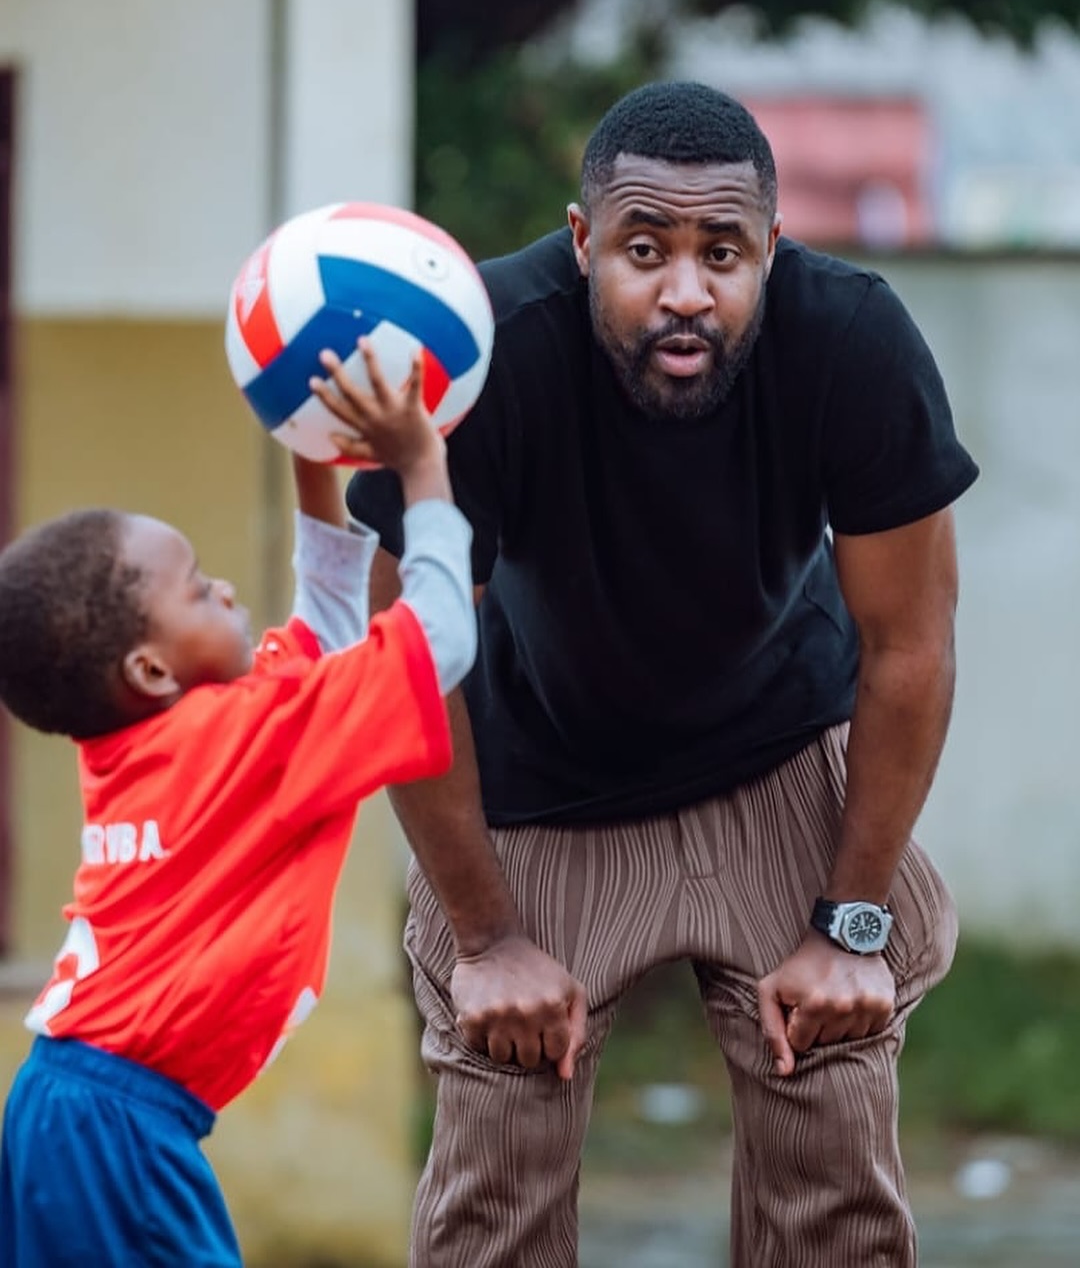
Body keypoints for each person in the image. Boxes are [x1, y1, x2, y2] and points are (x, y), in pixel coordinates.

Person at [337, 81, 980, 1267]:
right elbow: (406, 668)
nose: (686, 291)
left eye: (722, 252)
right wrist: (485, 941)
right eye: (645, 249)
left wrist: (851, 921)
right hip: (539, 778)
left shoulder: (850, 338)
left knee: (833, 1161)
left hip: (776, 753)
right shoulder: (483, 353)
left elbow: (911, 645)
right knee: (498, 1188)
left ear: (772, 251)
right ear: (583, 246)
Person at [0, 342, 476, 1268]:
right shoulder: (247, 742)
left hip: (80, 1109)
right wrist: (423, 469)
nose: (223, 588)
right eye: (196, 586)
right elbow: (440, 642)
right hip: (114, 1128)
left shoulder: (172, 741)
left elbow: (331, 623)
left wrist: (312, 451)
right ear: (149, 669)